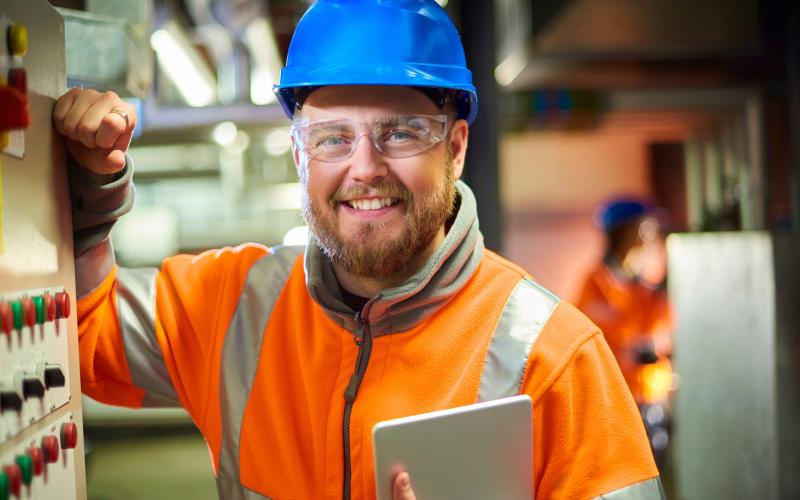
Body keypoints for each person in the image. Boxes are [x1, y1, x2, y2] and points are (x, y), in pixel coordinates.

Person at [54, 1, 663, 498]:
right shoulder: (232, 307)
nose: (364, 168)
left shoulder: (557, 358)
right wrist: (85, 195)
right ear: (299, 154)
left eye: (400, 132)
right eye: (332, 138)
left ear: (455, 149)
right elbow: (77, 329)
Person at [576, 200, 673, 405]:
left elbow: (664, 334)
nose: (649, 238)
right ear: (624, 234)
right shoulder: (596, 285)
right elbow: (597, 339)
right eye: (644, 229)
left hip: (651, 398)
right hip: (615, 401)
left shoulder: (648, 287)